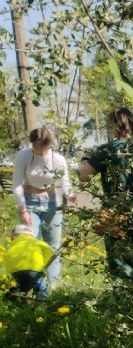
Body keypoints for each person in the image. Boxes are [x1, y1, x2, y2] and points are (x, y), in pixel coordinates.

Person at [77, 107, 133, 280]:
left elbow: (84, 176)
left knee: (120, 261)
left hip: (116, 212)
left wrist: (84, 160)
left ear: (115, 126)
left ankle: (124, 300)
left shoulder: (107, 150)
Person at [11, 126, 70, 297]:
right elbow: (16, 184)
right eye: (36, 148)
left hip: (52, 202)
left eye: (43, 148)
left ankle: (54, 288)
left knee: (53, 247)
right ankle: (37, 288)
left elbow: (65, 182)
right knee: (30, 246)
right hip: (29, 202)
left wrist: (70, 195)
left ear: (50, 145)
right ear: (32, 143)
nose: (40, 152)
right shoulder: (23, 156)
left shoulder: (58, 159)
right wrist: (22, 209)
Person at [3, 221, 56, 301]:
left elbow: (7, 257)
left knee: (23, 285)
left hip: (15, 271)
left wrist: (10, 270)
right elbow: (49, 251)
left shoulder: (11, 245)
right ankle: (43, 301)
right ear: (32, 235)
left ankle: (17, 297)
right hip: (34, 269)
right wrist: (44, 262)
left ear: (12, 237)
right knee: (40, 284)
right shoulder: (35, 241)